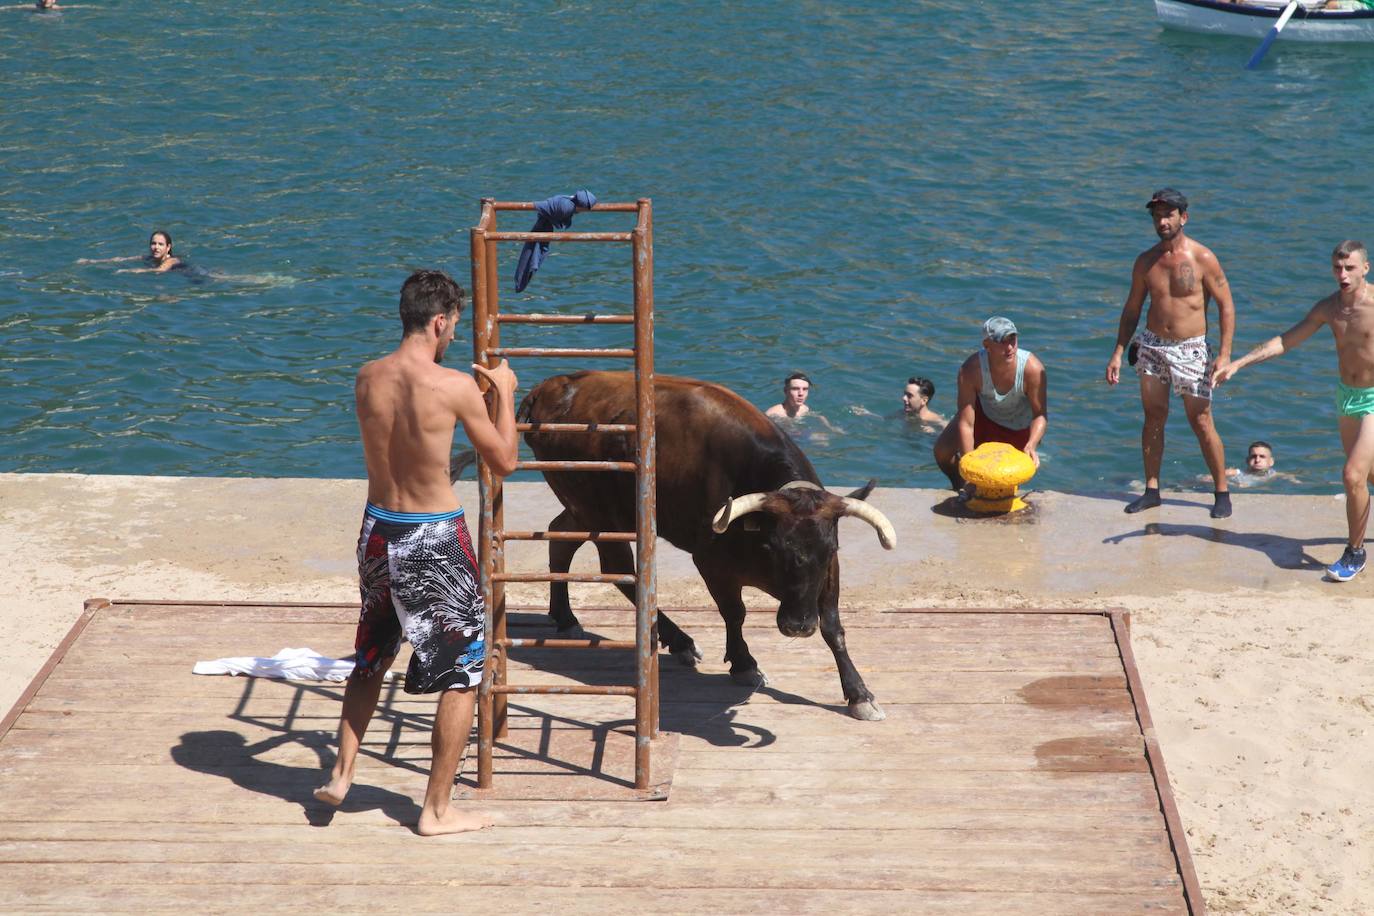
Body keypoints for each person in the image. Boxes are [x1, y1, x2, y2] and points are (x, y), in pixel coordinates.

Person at [313, 270, 519, 834]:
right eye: (452, 325)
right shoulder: (453, 387)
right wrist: (504, 394)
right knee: (462, 672)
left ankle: (340, 774)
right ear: (438, 320)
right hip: (433, 536)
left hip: (379, 528)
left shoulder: (365, 378)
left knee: (373, 653)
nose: (453, 335)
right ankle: (435, 810)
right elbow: (504, 462)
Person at [1213, 240, 1374, 582]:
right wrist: (1239, 364)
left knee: (1352, 476)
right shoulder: (1329, 308)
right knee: (1369, 476)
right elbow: (1285, 341)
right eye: (1337, 268)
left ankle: (1355, 552)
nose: (1342, 275)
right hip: (1348, 397)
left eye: (1349, 268)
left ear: (1365, 268)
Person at [1106, 188, 1236, 519]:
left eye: (1168, 215)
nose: (1162, 221)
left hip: (1191, 348)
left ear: (1183, 217)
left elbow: (1226, 306)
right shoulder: (1146, 261)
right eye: (1157, 216)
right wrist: (1119, 351)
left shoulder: (1203, 258)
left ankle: (1221, 492)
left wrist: (1224, 354)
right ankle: (1152, 490)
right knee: (1153, 417)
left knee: (1201, 420)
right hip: (1151, 346)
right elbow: (1132, 308)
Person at [933, 316, 1048, 491]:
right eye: (1002, 342)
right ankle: (961, 487)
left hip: (1018, 427)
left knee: (1004, 480)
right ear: (987, 345)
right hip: (983, 416)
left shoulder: (1032, 368)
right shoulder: (970, 370)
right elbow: (966, 422)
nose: (1009, 347)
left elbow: (1040, 415)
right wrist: (969, 467)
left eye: (1012, 339)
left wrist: (1031, 444)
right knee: (942, 451)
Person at [850, 376, 945, 429]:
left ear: (924, 400)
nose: (903, 398)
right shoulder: (901, 413)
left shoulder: (936, 420)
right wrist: (867, 414)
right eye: (904, 394)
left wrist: (933, 434)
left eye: (909, 395)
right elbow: (884, 420)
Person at [79, 230, 185, 272]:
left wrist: (131, 271)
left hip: (191, 275)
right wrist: (92, 261)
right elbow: (120, 259)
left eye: (160, 244)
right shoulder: (148, 258)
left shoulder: (172, 260)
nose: (156, 247)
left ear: (168, 247)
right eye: (153, 243)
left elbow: (160, 270)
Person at [766, 372, 839, 432]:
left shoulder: (804, 408)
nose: (801, 393)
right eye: (795, 389)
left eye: (805, 389)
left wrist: (830, 427)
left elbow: (817, 416)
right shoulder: (772, 414)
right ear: (785, 391)